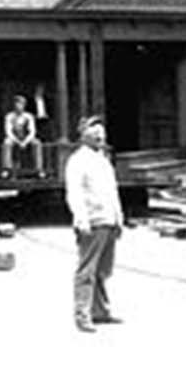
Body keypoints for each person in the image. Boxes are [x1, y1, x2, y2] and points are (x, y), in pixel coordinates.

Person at [63, 114, 123, 332]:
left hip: (108, 220)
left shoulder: (104, 160)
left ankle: (100, 311)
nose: (99, 135)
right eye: (94, 131)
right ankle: (82, 314)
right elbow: (74, 193)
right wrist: (81, 219)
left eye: (101, 131)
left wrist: (119, 217)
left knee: (103, 270)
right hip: (92, 221)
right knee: (87, 270)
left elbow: (112, 190)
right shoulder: (77, 161)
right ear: (83, 135)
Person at [3, 94, 42, 175]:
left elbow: (32, 132)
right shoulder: (9, 117)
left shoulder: (29, 117)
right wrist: (17, 142)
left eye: (21, 104)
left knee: (37, 143)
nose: (19, 106)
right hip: (15, 138)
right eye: (17, 104)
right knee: (6, 143)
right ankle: (7, 169)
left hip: (26, 137)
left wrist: (25, 142)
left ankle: (39, 169)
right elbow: (8, 132)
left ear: (24, 105)